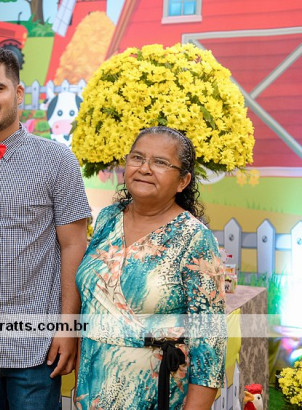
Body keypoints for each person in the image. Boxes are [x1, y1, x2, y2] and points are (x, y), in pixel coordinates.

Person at [0, 46, 90, 409]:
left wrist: (68, 327)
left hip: (35, 349)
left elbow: (75, 245)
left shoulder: (57, 159)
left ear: (19, 92)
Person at [75, 126, 226, 410]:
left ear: (183, 181)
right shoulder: (108, 219)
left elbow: (210, 346)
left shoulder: (194, 239)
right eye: (137, 158)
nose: (144, 168)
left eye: (160, 162)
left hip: (154, 393)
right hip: (92, 388)